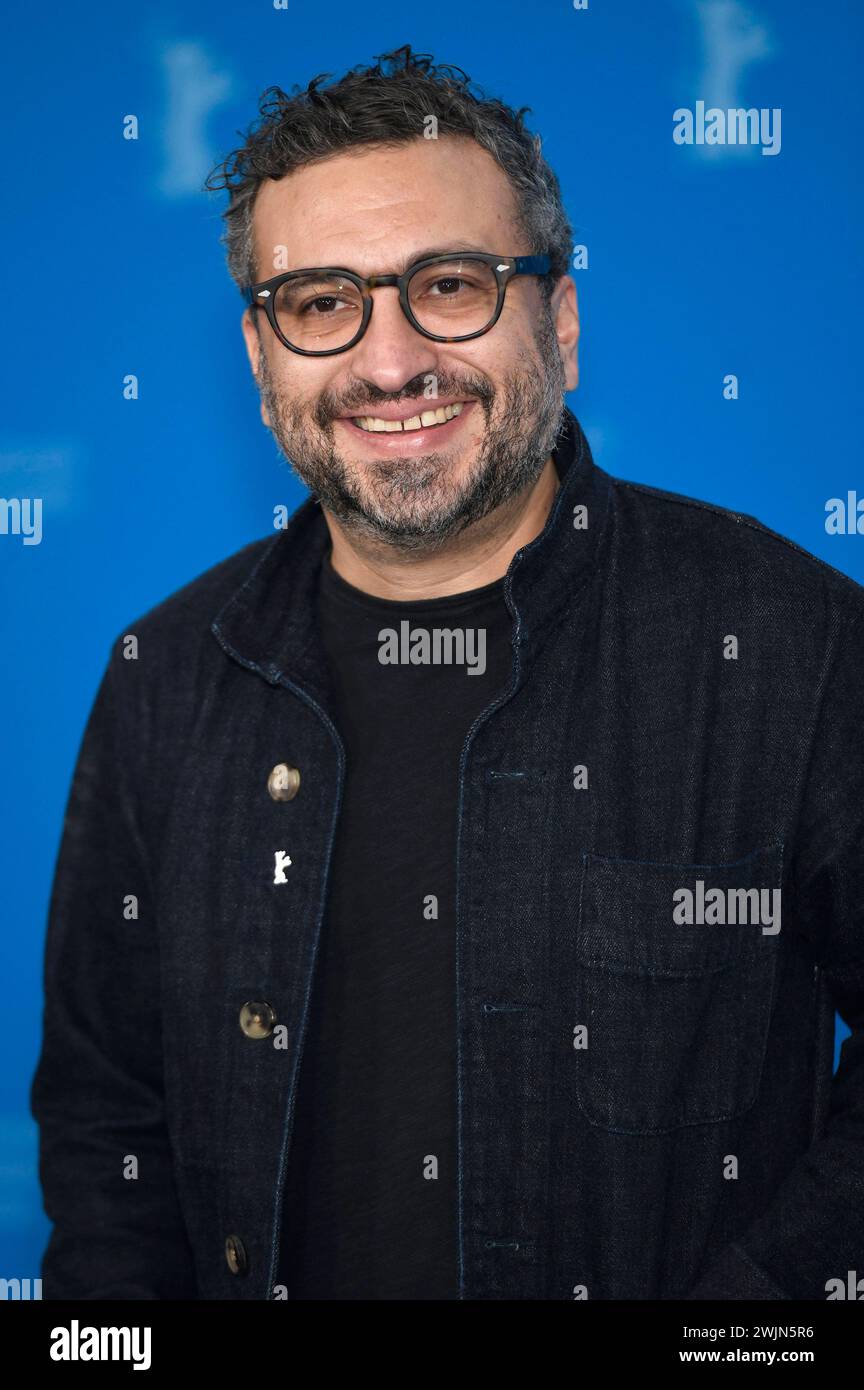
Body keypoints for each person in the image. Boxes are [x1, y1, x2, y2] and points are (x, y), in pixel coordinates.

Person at [31, 44, 864, 1301]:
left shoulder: (792, 640)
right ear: (262, 364)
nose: (388, 360)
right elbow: (108, 1126)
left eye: (450, 284)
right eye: (322, 301)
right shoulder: (163, 676)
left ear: (562, 321)